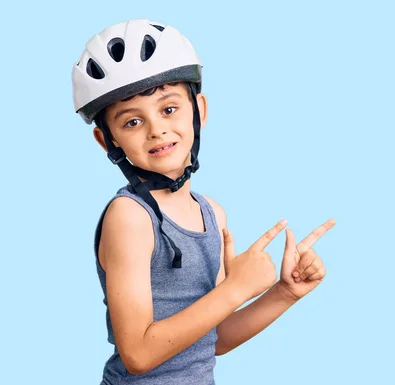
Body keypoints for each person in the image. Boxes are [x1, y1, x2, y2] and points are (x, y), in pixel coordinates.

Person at [72, 19, 336, 384]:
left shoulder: (212, 213)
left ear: (200, 111)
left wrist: (284, 293)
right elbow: (138, 354)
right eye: (132, 122)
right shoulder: (130, 217)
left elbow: (216, 338)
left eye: (168, 109)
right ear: (108, 141)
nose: (156, 129)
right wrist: (234, 289)